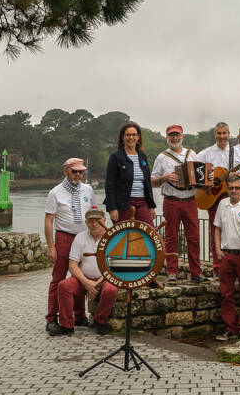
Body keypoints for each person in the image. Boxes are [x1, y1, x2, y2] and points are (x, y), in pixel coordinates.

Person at [150, 124, 207, 285]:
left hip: (190, 201)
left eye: (177, 135)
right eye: (171, 135)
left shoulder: (192, 154)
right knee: (171, 238)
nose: (174, 138)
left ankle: (196, 272)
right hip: (171, 201)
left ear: (182, 137)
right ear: (167, 137)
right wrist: (165, 178)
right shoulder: (162, 157)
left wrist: (205, 179)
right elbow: (152, 182)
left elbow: (200, 176)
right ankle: (172, 272)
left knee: (194, 238)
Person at [48, 207, 119, 336]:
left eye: (98, 220)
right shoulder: (80, 237)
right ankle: (66, 325)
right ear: (86, 223)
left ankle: (100, 321)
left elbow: (116, 267)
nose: (94, 224)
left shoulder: (113, 238)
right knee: (64, 286)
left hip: (105, 279)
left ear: (104, 220)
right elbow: (73, 265)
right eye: (90, 221)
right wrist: (86, 283)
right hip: (84, 279)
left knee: (111, 290)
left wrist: (96, 284)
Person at [43, 158, 95, 332]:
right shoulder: (55, 193)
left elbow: (93, 214)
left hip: (83, 238)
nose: (78, 175)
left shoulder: (88, 189)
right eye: (75, 171)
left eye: (81, 171)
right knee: (58, 279)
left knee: (81, 275)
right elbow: (49, 220)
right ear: (65, 171)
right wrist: (51, 247)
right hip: (64, 238)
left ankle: (79, 315)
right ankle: (51, 318)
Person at [198, 122, 240, 277]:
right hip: (214, 197)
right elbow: (196, 173)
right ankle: (217, 267)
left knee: (234, 230)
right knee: (215, 230)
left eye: (225, 133)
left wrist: (236, 176)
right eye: (219, 133)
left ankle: (232, 267)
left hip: (232, 195)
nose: (222, 136)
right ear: (215, 134)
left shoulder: (236, 152)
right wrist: (207, 178)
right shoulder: (206, 153)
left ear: (229, 134)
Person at [214, 174, 240, 340]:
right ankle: (230, 328)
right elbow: (217, 229)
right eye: (231, 188)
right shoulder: (222, 204)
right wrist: (217, 250)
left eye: (237, 188)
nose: (234, 191)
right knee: (226, 294)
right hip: (226, 255)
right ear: (227, 188)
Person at [104, 122, 156, 226]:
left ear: (138, 137)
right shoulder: (116, 157)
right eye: (128, 135)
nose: (131, 137)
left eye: (134, 135)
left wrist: (151, 206)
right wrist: (112, 208)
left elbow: (147, 184)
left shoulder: (143, 157)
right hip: (123, 204)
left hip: (142, 202)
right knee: (123, 236)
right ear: (123, 137)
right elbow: (109, 185)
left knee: (150, 233)